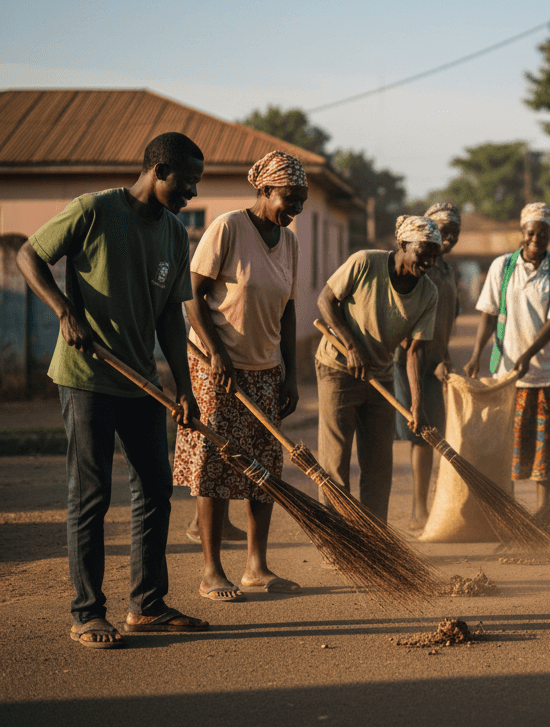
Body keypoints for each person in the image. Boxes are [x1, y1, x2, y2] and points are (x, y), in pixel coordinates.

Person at [16, 132, 209, 648]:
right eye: (187, 182)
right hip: (86, 376)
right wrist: (63, 311)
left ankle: (147, 606)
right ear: (158, 170)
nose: (192, 193)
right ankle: (87, 612)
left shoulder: (174, 233)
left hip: (140, 378)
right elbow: (28, 255)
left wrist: (183, 386)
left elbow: (171, 315)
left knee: (155, 489)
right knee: (92, 494)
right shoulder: (94, 210)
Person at [173, 151, 307, 600]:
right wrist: (215, 353)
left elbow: (288, 311)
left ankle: (256, 567)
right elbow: (192, 295)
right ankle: (212, 571)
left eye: (302, 201)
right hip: (217, 369)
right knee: (216, 467)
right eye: (290, 198)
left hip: (266, 371)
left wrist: (289, 373)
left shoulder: (288, 242)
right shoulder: (229, 227)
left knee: (264, 470)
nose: (297, 209)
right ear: (265, 190)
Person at [316, 216, 440, 523]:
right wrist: (352, 346)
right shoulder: (364, 263)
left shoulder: (428, 293)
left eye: (434, 255)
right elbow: (326, 300)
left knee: (378, 466)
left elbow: (413, 352)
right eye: (422, 253)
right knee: (336, 461)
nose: (428, 261)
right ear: (402, 245)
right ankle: (337, 540)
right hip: (337, 367)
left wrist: (416, 404)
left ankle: (374, 541)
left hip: (380, 374)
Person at [465, 202, 550, 511]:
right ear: (522, 233)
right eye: (530, 233)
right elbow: (488, 314)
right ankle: (510, 512)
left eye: (543, 234)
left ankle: (542, 515)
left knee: (545, 450)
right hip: (507, 374)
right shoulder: (503, 267)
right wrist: (476, 355)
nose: (535, 239)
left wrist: (528, 354)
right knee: (508, 447)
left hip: (548, 373)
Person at [395, 202, 461, 530]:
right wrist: (423, 356)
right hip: (411, 359)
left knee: (434, 432)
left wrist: (444, 355)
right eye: (443, 231)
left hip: (436, 362)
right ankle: (417, 509)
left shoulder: (448, 271)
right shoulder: (422, 265)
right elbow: (403, 318)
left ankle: (430, 505)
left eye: (454, 233)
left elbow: (450, 315)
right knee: (420, 434)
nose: (448, 238)